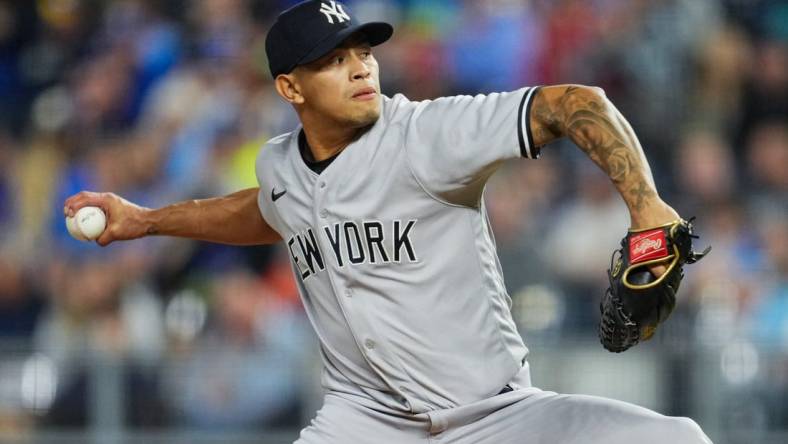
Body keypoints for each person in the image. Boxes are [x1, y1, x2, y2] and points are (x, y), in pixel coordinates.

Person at [64, 1, 712, 443]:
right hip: (362, 424)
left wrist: (647, 206)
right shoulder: (279, 166)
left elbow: (573, 103)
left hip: (493, 417)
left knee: (676, 440)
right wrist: (146, 220)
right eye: (333, 59)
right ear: (290, 88)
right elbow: (266, 211)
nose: (359, 66)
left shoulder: (426, 136)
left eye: (362, 50)